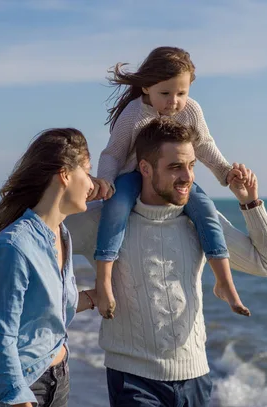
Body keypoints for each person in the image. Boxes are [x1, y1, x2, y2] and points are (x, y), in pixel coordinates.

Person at [65, 118, 267, 407]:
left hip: (195, 377)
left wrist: (249, 201)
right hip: (133, 378)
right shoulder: (101, 220)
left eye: (192, 166)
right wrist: (81, 298)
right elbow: (44, 243)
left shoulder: (199, 220)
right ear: (145, 168)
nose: (187, 177)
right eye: (175, 167)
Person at [0, 128, 99, 407]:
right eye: (87, 173)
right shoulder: (13, 249)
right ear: (64, 175)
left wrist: (93, 298)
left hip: (57, 382)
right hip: (13, 394)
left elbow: (40, 310)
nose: (92, 184)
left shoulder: (61, 235)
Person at [89, 46, 251, 319]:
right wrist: (106, 181)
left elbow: (204, 145)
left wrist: (225, 171)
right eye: (165, 93)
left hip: (173, 179)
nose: (173, 101)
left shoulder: (191, 111)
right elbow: (113, 153)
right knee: (116, 209)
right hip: (132, 176)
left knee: (206, 209)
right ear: (146, 88)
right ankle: (104, 281)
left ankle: (224, 282)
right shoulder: (133, 114)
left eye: (181, 93)